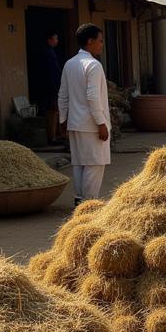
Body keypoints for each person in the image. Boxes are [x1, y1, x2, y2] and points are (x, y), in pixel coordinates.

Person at [58, 24, 110, 205]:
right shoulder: (94, 65)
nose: (102, 44)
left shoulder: (69, 63)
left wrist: (63, 119)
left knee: (79, 163)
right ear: (90, 41)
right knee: (94, 164)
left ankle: (79, 199)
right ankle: (89, 203)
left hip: (75, 122)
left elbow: (62, 95)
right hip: (91, 124)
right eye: (100, 41)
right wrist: (101, 123)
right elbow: (93, 97)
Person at [41, 31, 64, 146]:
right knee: (53, 112)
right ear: (49, 40)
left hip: (54, 87)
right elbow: (51, 73)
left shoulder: (52, 52)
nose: (57, 41)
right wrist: (56, 88)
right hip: (52, 88)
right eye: (55, 38)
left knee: (56, 112)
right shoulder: (48, 53)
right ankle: (52, 138)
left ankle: (56, 135)